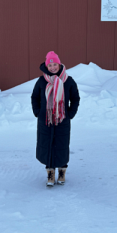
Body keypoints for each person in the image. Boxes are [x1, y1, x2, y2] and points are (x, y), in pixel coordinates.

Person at [31, 51, 80, 187]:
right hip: (45, 120)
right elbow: (34, 97)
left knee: (62, 145)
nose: (52, 67)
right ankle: (50, 174)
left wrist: (70, 113)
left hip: (62, 119)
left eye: (55, 64)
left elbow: (75, 98)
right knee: (48, 145)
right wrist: (38, 112)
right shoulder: (41, 81)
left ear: (59, 64)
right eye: (50, 65)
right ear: (47, 67)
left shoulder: (68, 81)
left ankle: (62, 172)